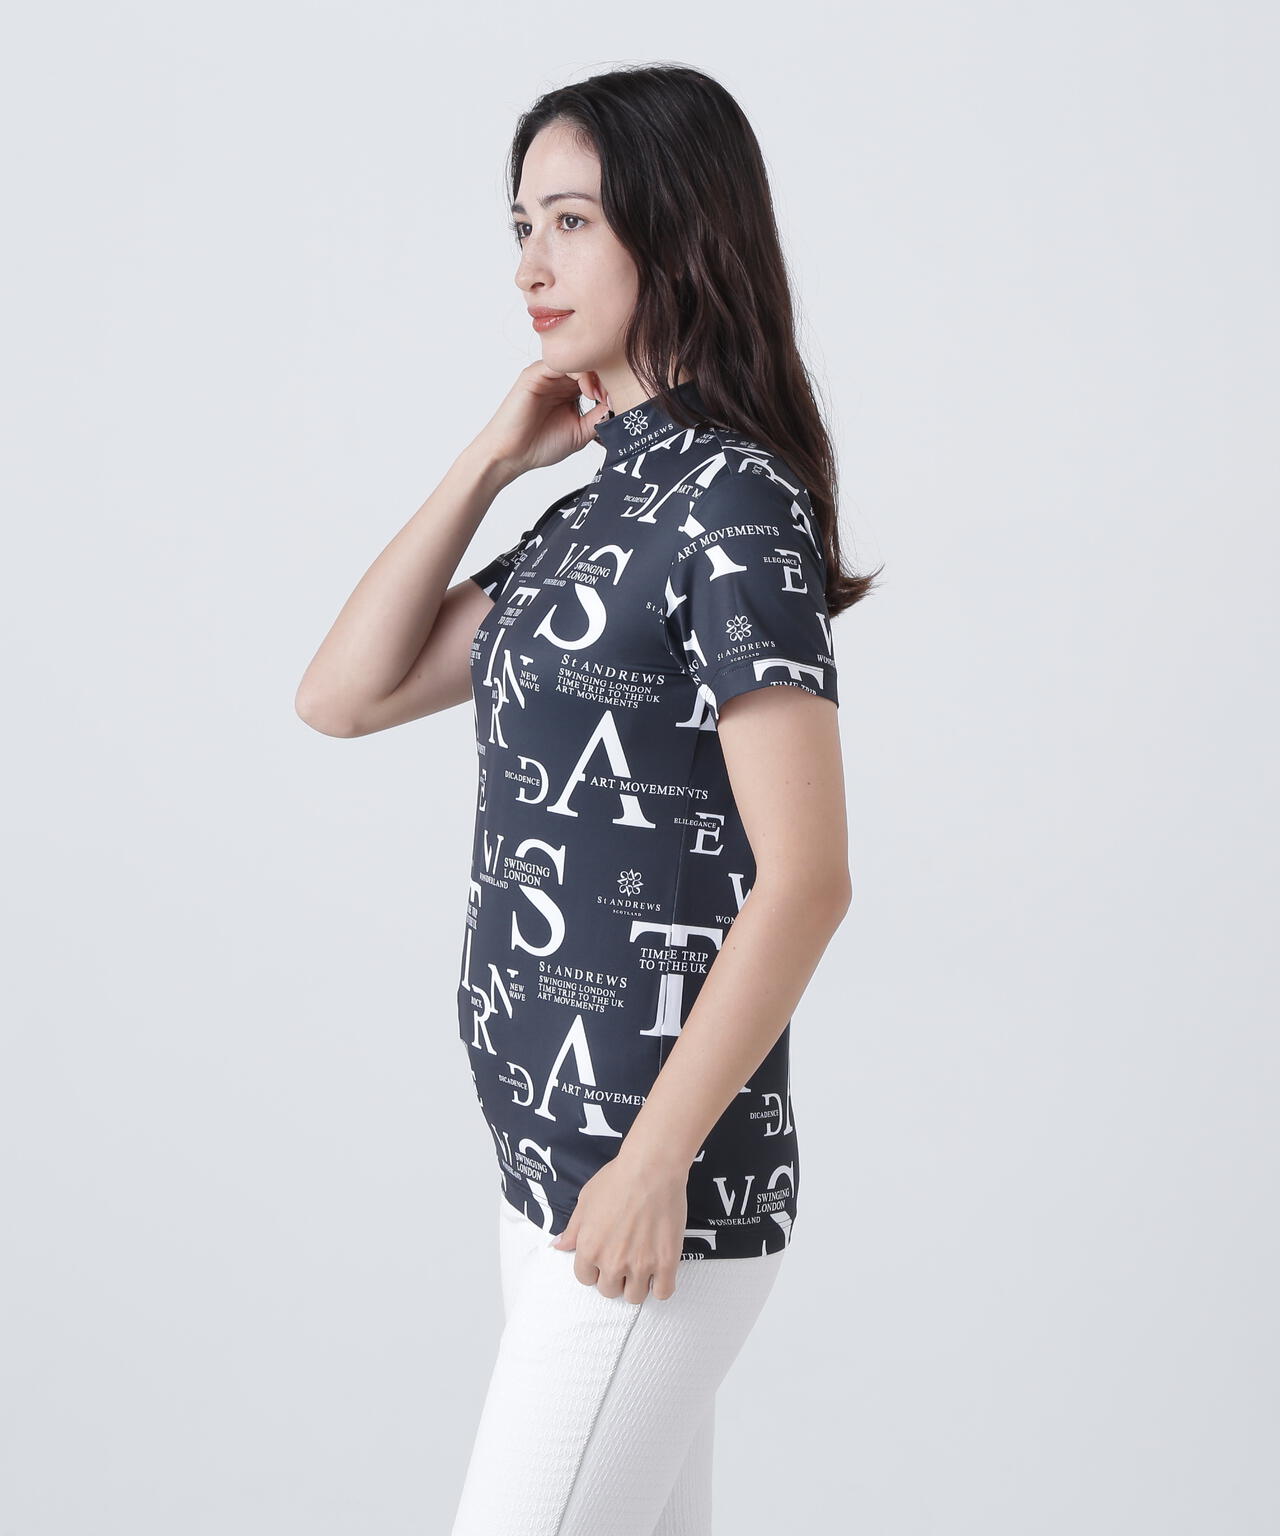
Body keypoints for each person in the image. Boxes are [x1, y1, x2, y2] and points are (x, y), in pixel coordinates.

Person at [296, 62, 879, 1536]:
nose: (529, 266)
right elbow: (344, 695)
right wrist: (493, 456)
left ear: (676, 230)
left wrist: (653, 1163)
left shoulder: (733, 505)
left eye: (570, 221)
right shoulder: (598, 511)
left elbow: (808, 877)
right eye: (521, 226)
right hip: (546, 1153)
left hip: (647, 1178)